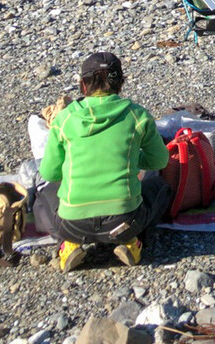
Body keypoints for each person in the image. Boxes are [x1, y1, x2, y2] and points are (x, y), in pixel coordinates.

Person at [36, 52, 170, 272]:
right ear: (121, 83)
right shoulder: (137, 115)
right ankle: (131, 242)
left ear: (83, 85)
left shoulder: (64, 118)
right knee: (160, 187)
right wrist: (133, 160)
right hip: (125, 222)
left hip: (72, 225)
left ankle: (69, 245)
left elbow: (50, 173)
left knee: (44, 193)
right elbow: (159, 161)